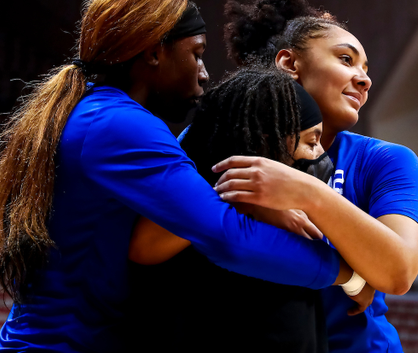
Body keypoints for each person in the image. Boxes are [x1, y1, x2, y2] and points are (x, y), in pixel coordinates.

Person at [0, 0, 355, 352]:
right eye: (197, 53)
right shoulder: (120, 125)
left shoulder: (88, 112)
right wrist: (347, 275)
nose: (204, 74)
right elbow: (225, 237)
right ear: (155, 52)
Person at [212, 0, 418, 353]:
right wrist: (350, 273)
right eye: (346, 60)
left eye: (366, 68)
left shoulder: (389, 159)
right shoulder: (221, 144)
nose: (364, 78)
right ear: (289, 63)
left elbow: (398, 271)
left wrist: (306, 192)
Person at [128, 66, 335, 352]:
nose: (321, 157)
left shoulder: (299, 213)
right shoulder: (194, 201)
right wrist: (244, 200)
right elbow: (143, 248)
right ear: (267, 142)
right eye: (312, 142)